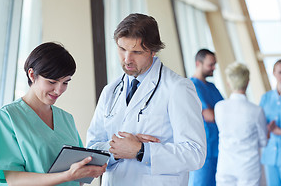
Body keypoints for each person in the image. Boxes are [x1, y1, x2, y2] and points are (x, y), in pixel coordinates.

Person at [86, 13, 206, 186]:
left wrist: (142, 151)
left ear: (153, 50)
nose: (127, 59)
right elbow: (92, 148)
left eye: (136, 52)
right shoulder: (110, 91)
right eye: (122, 49)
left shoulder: (177, 88)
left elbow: (195, 154)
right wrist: (118, 150)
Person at [0, 42, 106, 186]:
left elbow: (77, 175)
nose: (59, 90)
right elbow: (13, 179)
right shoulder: (7, 117)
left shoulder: (66, 119)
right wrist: (66, 176)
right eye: (52, 82)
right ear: (32, 75)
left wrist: (86, 171)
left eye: (65, 83)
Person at [214, 62, 267, 186]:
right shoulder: (256, 111)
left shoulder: (219, 107)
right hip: (248, 168)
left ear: (228, 83)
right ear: (247, 82)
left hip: (225, 166)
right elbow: (263, 142)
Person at [188, 49, 223, 186]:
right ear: (198, 63)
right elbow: (209, 115)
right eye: (210, 65)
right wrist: (215, 112)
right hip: (204, 149)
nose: (214, 68)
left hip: (217, 146)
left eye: (215, 64)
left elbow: (225, 112)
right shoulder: (191, 86)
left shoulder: (212, 87)